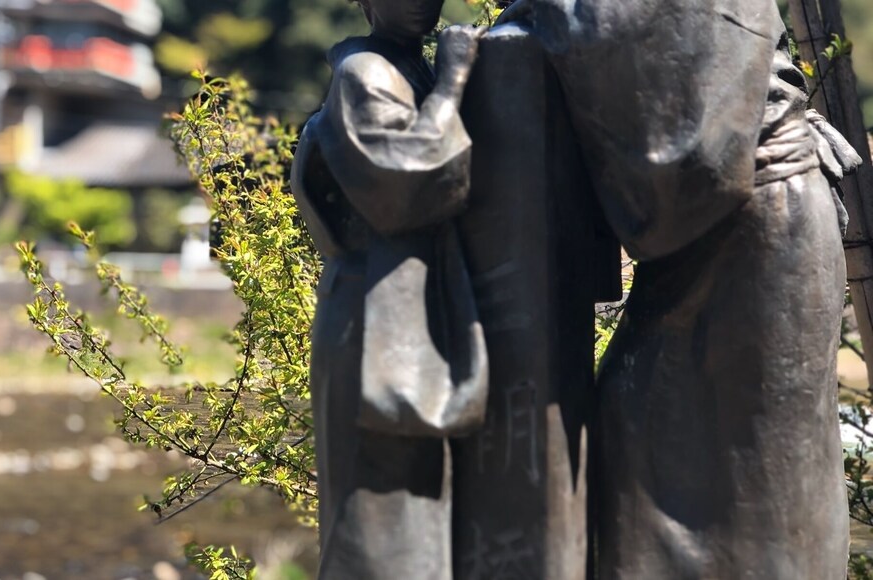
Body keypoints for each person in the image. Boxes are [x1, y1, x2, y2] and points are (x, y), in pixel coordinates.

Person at [496, 1, 861, 577]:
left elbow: (638, 23)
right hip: (729, 223)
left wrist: (541, 16)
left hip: (761, 218)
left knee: (760, 475)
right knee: (636, 432)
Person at [289, 1, 486, 578]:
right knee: (378, 530)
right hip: (372, 321)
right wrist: (453, 83)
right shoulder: (365, 75)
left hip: (408, 315)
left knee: (421, 523)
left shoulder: (406, 70)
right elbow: (407, 188)